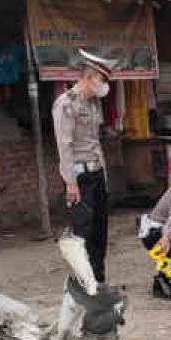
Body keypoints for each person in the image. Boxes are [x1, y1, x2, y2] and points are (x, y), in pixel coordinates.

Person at [53, 49, 114, 283]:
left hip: (96, 174)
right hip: (79, 178)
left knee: (100, 231)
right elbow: (64, 146)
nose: (103, 86)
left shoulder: (92, 104)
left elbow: (96, 143)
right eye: (101, 80)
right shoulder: (65, 104)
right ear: (89, 77)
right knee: (82, 233)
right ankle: (82, 283)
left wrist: (104, 177)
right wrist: (70, 183)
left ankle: (98, 280)